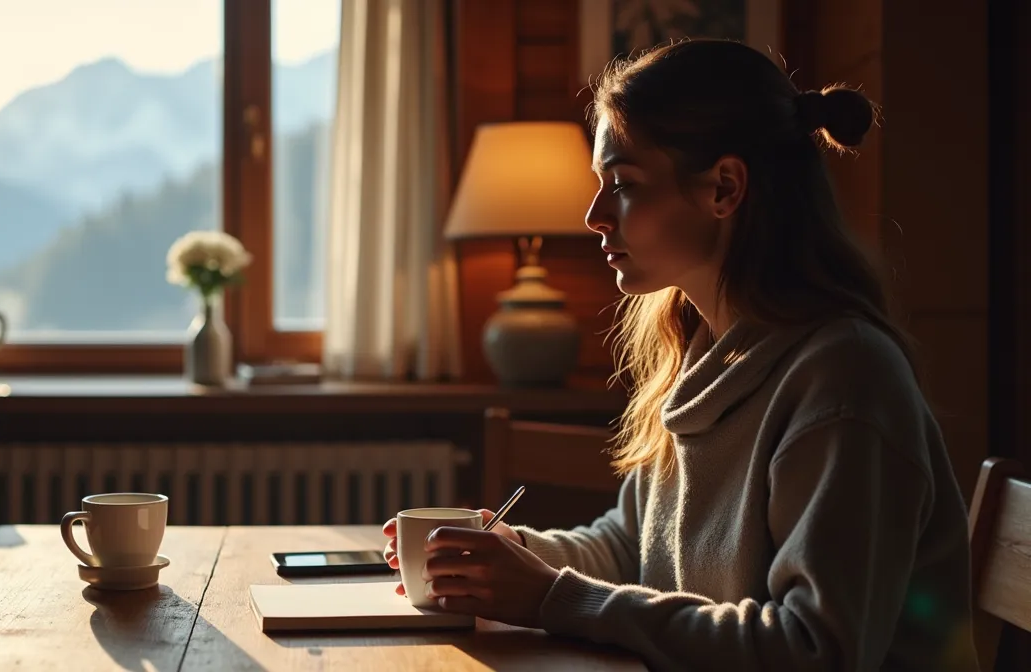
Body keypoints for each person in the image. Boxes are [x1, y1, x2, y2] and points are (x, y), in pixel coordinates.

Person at [381, 39, 979, 671]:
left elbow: (814, 649)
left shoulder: (844, 381)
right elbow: (629, 543)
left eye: (623, 183)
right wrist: (512, 554)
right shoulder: (707, 353)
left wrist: (550, 596)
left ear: (724, 187)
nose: (593, 215)